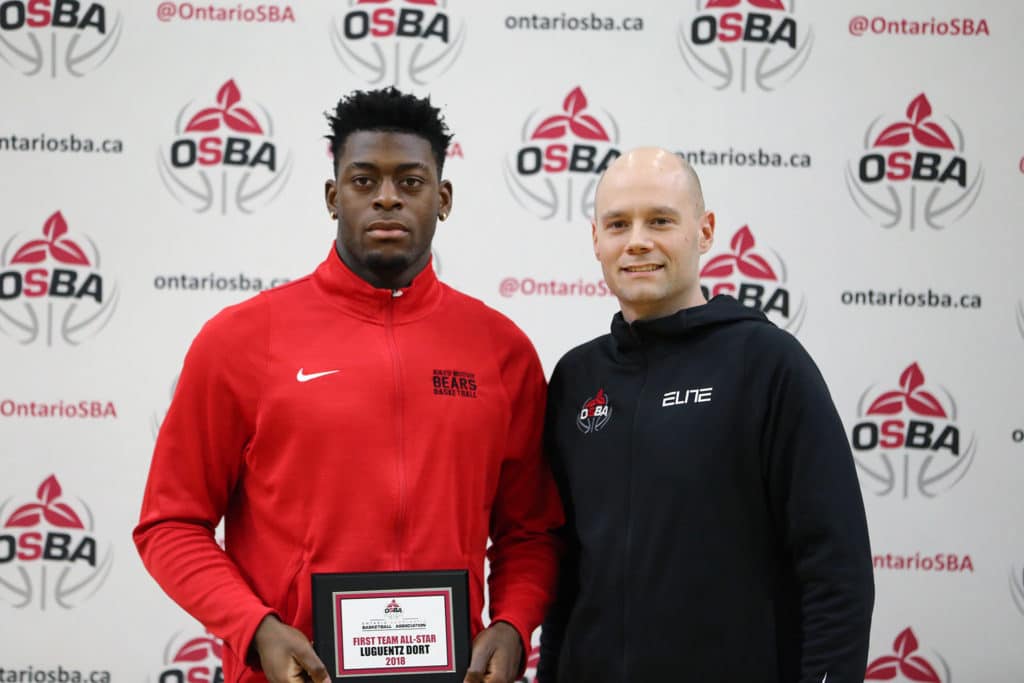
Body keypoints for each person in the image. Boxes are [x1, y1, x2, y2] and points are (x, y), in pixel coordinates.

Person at [134, 87, 563, 683]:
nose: (387, 198)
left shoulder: (501, 350)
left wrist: (514, 623)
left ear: (443, 200)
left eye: (410, 182)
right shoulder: (241, 340)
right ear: (333, 197)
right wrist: (256, 629)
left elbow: (530, 530)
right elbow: (170, 524)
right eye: (364, 181)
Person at [537, 148, 874, 682]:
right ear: (596, 239)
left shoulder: (767, 364)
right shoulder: (577, 378)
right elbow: (567, 568)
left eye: (661, 221)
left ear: (705, 230)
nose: (638, 240)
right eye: (618, 223)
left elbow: (836, 568)